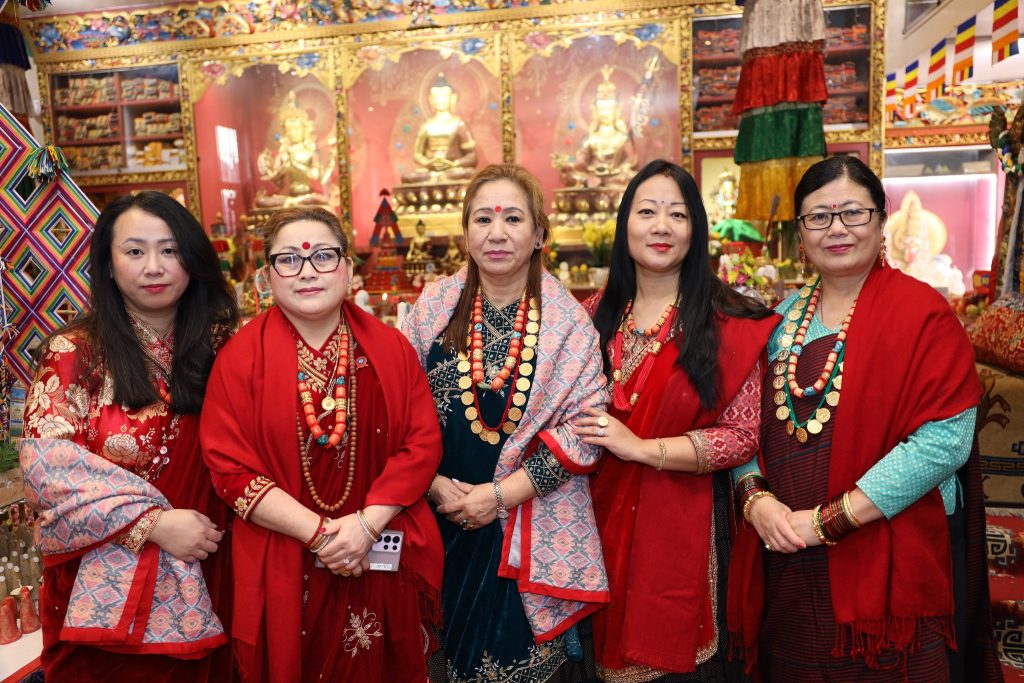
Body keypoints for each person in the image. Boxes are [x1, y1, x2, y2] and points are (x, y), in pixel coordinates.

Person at [728, 155, 1001, 681]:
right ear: (800, 232)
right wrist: (756, 501)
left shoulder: (924, 316)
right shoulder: (777, 322)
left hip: (888, 559)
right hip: (786, 551)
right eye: (819, 216)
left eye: (853, 212)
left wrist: (829, 520)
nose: (837, 229)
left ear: (880, 221)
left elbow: (944, 440)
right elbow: (741, 427)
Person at [201, 206, 443, 683]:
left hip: (377, 547)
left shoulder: (390, 349)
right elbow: (229, 469)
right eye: (289, 259)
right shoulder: (239, 359)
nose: (307, 271)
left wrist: (366, 526)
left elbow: (421, 444)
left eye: (323, 256)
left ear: (349, 269)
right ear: (266, 276)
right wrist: (321, 535)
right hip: (284, 555)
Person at [401, 164, 609, 682]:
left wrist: (498, 497)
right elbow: (396, 408)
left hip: (527, 525)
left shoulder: (567, 323)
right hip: (439, 517)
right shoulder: (433, 308)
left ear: (539, 235)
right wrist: (432, 485)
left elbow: (586, 432)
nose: (497, 233)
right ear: (465, 233)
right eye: (483, 219)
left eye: (513, 219)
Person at [20, 191, 239, 682]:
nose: (154, 267)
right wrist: (152, 523)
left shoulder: (225, 345)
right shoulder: (75, 352)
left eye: (170, 250)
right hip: (105, 585)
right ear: (109, 262)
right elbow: (48, 474)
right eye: (135, 251)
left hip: (214, 559)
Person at [571, 159, 776, 681]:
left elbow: (740, 437)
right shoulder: (589, 317)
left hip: (687, 528)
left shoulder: (727, 321)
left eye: (677, 214)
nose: (661, 226)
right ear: (625, 225)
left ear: (695, 229)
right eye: (647, 212)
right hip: (593, 529)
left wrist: (643, 448)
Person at [401, 73, 478, 184]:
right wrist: (428, 163)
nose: (440, 100)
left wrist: (453, 164)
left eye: (444, 96)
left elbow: (472, 156)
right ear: (431, 99)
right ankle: (437, 180)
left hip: (454, 170)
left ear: (452, 98)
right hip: (431, 170)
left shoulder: (459, 124)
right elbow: (417, 155)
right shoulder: (427, 126)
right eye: (436, 96)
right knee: (408, 177)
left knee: (470, 174)